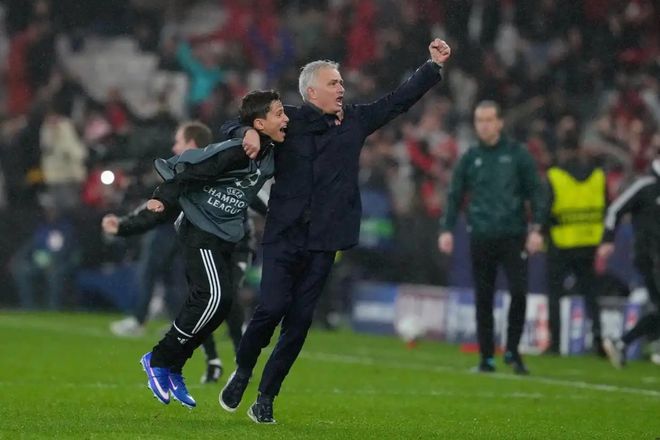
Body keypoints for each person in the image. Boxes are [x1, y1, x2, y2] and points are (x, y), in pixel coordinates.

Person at [219, 38, 451, 424]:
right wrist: (245, 133)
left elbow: (397, 101)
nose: (341, 88)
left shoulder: (355, 121)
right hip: (284, 233)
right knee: (270, 308)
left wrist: (432, 66)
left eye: (341, 82)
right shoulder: (287, 121)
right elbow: (233, 123)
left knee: (298, 323)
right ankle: (243, 370)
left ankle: (266, 397)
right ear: (311, 92)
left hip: (325, 240)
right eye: (333, 83)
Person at [134, 90, 288, 408]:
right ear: (260, 123)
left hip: (222, 234)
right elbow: (194, 171)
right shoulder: (237, 152)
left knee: (221, 304)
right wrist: (162, 197)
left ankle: (174, 366)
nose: (285, 118)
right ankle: (158, 359)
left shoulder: (269, 152)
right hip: (199, 227)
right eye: (279, 113)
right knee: (214, 296)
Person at [104, 121, 247, 384]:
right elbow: (159, 207)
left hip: (218, 245)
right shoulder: (195, 171)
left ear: (191, 144)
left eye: (178, 142)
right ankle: (215, 360)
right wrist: (124, 226)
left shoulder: (204, 171)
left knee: (214, 299)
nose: (174, 147)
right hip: (199, 243)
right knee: (205, 298)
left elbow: (247, 202)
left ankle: (226, 359)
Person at [438, 100, 544, 375]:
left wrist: (537, 229)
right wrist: (447, 229)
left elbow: (536, 193)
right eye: (479, 120)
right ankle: (486, 357)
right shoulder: (470, 157)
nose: (484, 125)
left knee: (519, 293)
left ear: (499, 123)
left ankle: (513, 351)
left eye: (488, 120)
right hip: (481, 235)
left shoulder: (518, 155)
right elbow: (454, 195)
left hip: (514, 235)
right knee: (483, 297)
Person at [543, 141, 607, 356]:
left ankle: (555, 344)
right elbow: (606, 207)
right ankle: (598, 340)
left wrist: (541, 232)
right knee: (591, 294)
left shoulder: (555, 176)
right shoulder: (598, 176)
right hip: (589, 243)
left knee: (555, 294)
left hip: (561, 243)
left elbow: (545, 209)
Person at [600, 156, 660, 368]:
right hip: (649, 257)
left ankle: (623, 343)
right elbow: (615, 209)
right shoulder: (645, 185)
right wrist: (608, 239)